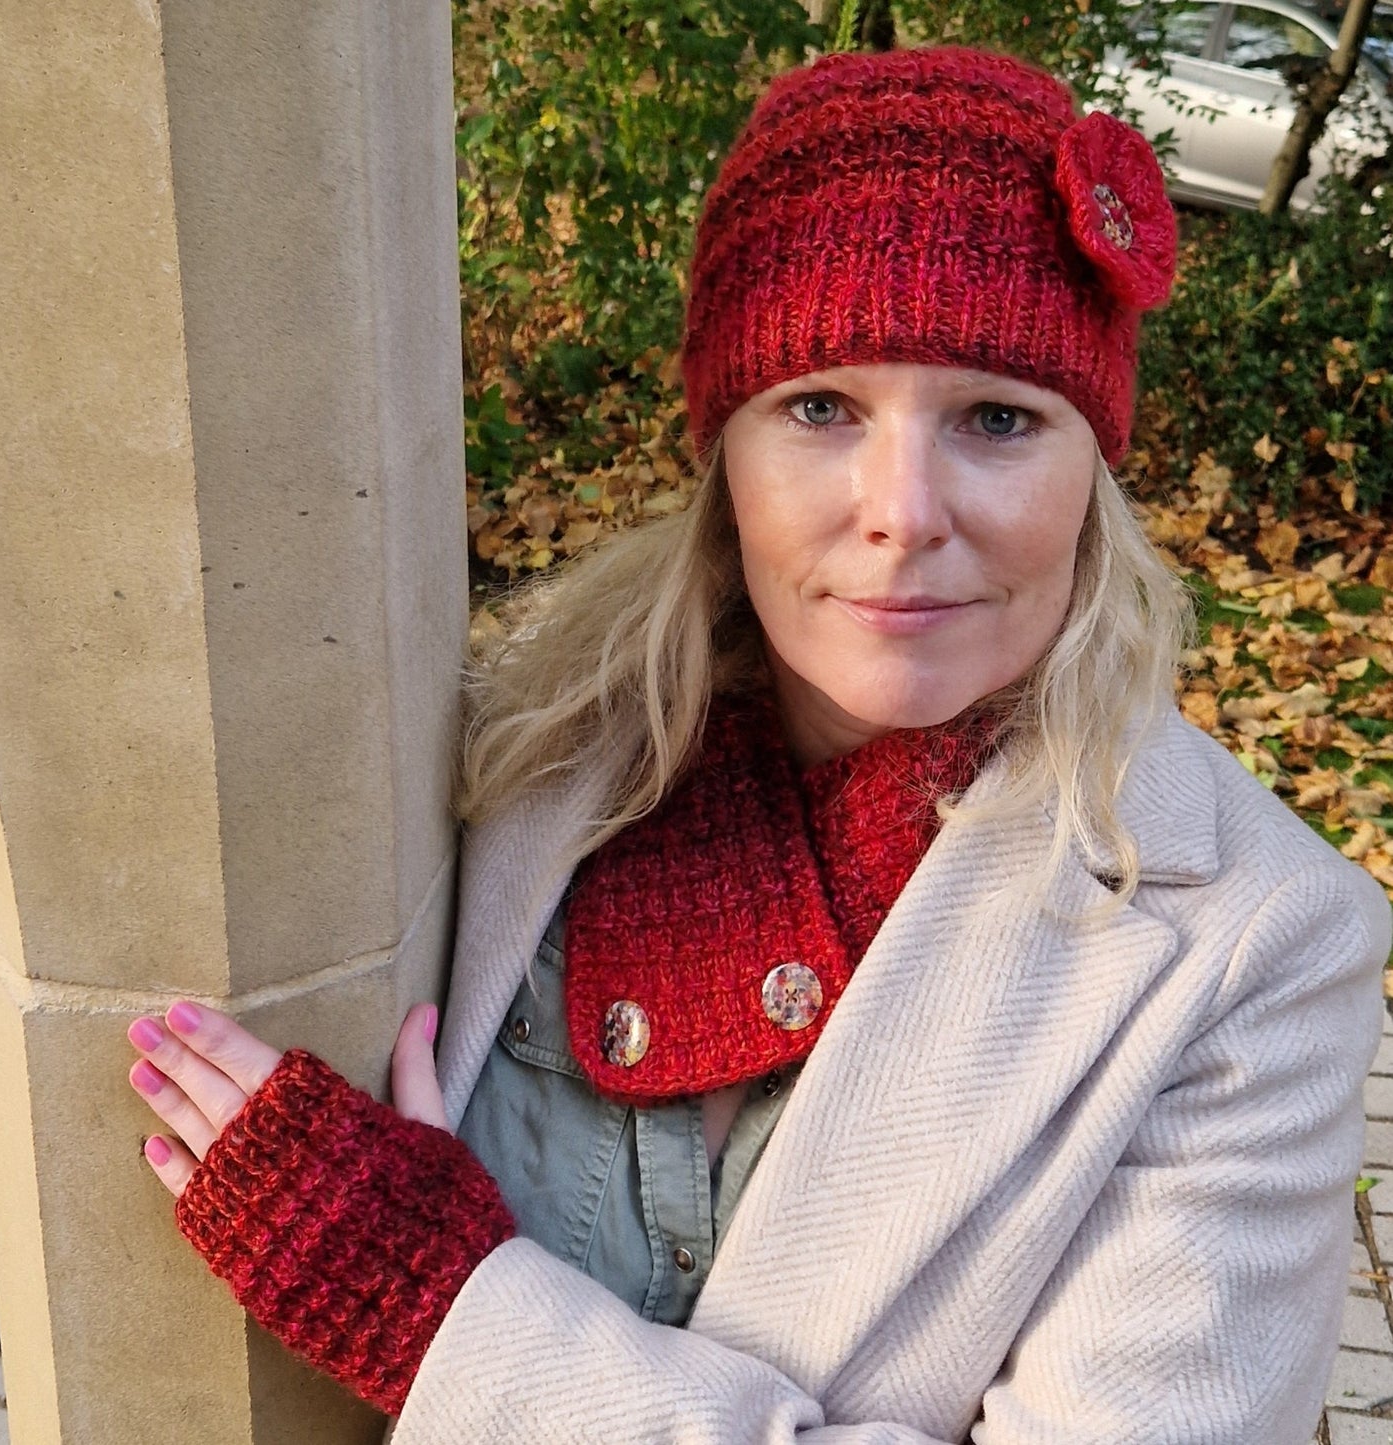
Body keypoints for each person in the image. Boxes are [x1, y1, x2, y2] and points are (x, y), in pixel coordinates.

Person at [125, 44, 1392, 1444]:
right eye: (820, 408)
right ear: (721, 448)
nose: (903, 511)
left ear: (1092, 462)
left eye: (996, 417)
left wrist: (441, 1316)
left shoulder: (1259, 945)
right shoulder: (534, 751)